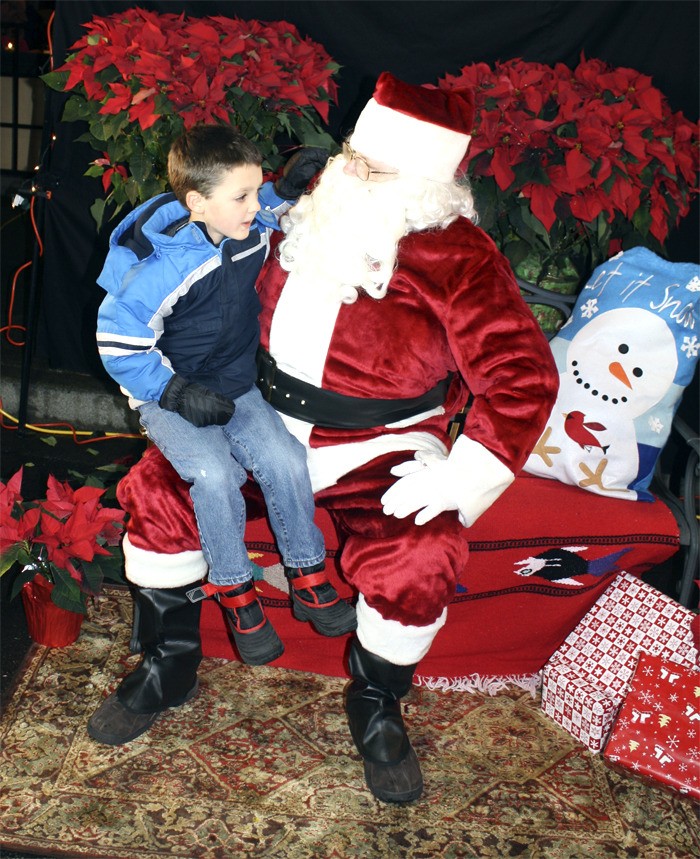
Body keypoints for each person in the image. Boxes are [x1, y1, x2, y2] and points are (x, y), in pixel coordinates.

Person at [89, 75, 559, 803]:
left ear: (424, 184)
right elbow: (194, 238)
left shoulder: (457, 255)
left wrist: (462, 478)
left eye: (375, 167)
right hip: (259, 415)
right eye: (353, 155)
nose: (352, 171)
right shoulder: (308, 203)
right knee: (158, 491)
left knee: (423, 548)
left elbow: (524, 375)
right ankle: (168, 661)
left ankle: (375, 703)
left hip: (380, 441)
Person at [91, 125, 356, 724]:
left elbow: (267, 213)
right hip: (169, 393)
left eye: (255, 189)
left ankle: (308, 575)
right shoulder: (166, 266)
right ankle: (235, 589)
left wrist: (287, 187)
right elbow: (117, 341)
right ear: (197, 203)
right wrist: (174, 391)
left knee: (287, 459)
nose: (253, 203)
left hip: (234, 385)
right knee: (213, 473)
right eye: (241, 195)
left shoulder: (245, 222)